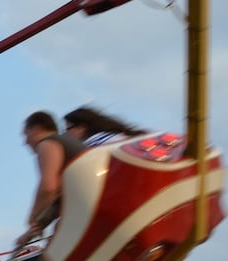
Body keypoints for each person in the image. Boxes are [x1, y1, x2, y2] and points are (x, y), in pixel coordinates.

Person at [17, 111, 85, 247]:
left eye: (26, 134)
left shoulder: (47, 144)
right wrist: (38, 225)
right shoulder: (68, 143)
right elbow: (57, 199)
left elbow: (49, 188)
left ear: (36, 129)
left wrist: (32, 218)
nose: (25, 142)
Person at [62, 105, 147, 148]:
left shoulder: (95, 145)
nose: (66, 133)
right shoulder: (117, 136)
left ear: (82, 127)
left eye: (68, 129)